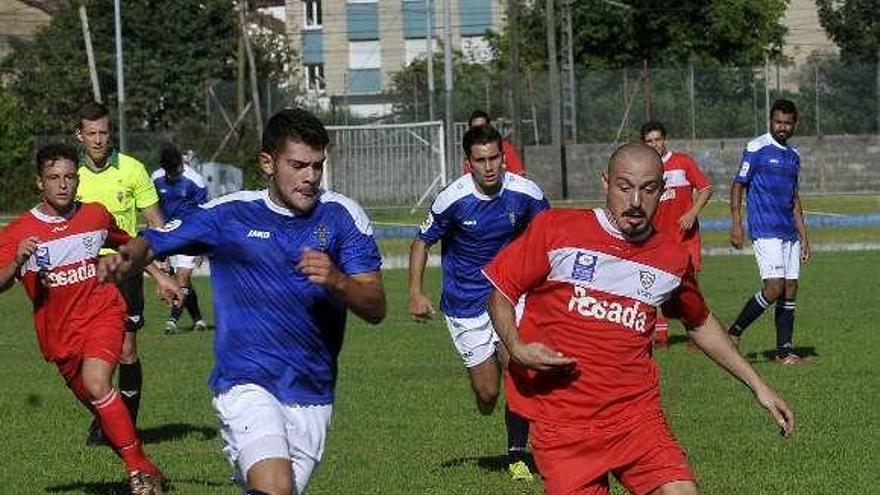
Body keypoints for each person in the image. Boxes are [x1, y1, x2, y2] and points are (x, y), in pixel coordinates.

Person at [98, 108, 387, 495]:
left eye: (318, 166)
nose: (310, 178)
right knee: (275, 489)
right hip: (246, 384)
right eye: (298, 165)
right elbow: (154, 239)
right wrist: (126, 260)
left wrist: (337, 280)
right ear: (267, 162)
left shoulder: (342, 217)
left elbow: (375, 306)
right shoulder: (230, 215)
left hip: (313, 394)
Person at [484, 144, 794, 495]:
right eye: (624, 186)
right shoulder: (557, 229)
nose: (635, 201)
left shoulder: (671, 259)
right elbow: (501, 292)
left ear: (662, 191)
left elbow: (699, 322)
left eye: (648, 189)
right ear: (606, 183)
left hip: (636, 418)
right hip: (564, 427)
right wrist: (516, 347)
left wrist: (759, 386)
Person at [0, 144, 179, 494]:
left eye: (69, 177)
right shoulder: (19, 232)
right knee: (106, 412)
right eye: (54, 178)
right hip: (60, 338)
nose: (63, 185)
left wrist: (161, 276)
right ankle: (146, 470)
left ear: (78, 180)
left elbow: (129, 244)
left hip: (103, 312)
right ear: (40, 183)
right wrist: (18, 263)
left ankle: (137, 477)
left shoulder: (95, 215)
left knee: (98, 383)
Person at [409, 124, 550, 481]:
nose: (489, 167)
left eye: (494, 159)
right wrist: (415, 291)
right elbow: (421, 242)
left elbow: (550, 236)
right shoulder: (452, 199)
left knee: (519, 364)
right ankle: (488, 372)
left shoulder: (526, 193)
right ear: (467, 162)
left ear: (504, 158)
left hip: (509, 295)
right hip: (464, 302)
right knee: (487, 395)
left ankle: (518, 454)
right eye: (480, 160)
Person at [74, 101, 166, 442]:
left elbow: (156, 223)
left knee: (126, 351)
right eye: (92, 133)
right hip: (83, 275)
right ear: (79, 135)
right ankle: (105, 416)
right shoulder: (71, 176)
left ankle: (124, 423)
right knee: (87, 356)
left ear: (111, 133)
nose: (98, 140)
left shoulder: (132, 170)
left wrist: (163, 268)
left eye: (104, 132)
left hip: (125, 272)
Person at [729, 99, 810, 364]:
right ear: (770, 121)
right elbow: (739, 185)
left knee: (790, 287)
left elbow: (794, 197)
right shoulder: (757, 148)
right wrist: (737, 223)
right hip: (765, 230)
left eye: (787, 123)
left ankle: (784, 352)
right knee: (773, 288)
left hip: (789, 232)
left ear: (794, 124)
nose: (782, 127)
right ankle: (733, 333)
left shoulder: (794, 156)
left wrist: (804, 235)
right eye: (778, 122)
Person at [640, 121, 714, 348]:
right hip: (657, 238)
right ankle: (661, 334)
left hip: (686, 237)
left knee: (690, 287)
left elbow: (706, 188)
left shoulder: (683, 162)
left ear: (665, 139)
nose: (655, 145)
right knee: (656, 285)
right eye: (649, 141)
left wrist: (692, 212)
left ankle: (697, 333)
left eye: (657, 139)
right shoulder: (644, 169)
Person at [151, 142, 209, 334]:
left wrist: (202, 245)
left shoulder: (195, 180)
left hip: (189, 236)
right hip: (166, 236)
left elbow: (204, 215)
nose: (170, 176)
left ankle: (172, 322)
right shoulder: (156, 178)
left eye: (173, 171)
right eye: (167, 171)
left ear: (180, 164)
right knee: (180, 281)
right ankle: (199, 320)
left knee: (182, 278)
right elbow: (152, 210)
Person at [461, 109, 526, 176]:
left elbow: (519, 174)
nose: (488, 168)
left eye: (494, 158)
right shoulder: (470, 152)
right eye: (479, 160)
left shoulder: (504, 147)